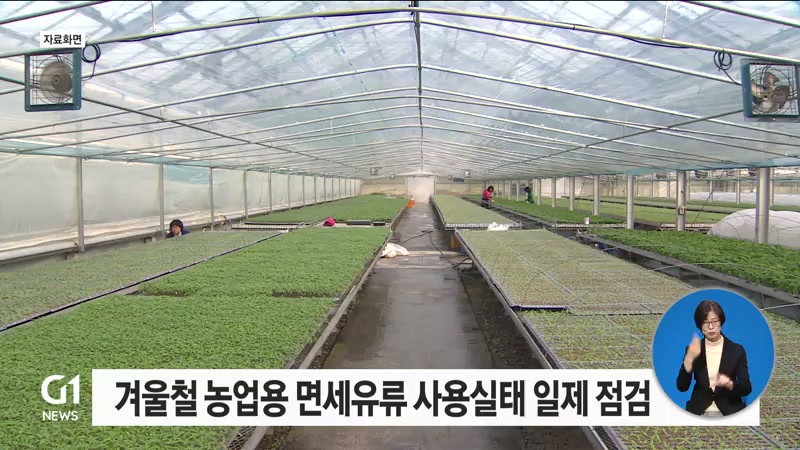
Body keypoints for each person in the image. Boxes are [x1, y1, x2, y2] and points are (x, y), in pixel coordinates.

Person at [676, 300, 751, 417]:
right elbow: (682, 387)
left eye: (714, 321)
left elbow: (746, 388)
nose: (711, 327)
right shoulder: (693, 349)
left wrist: (729, 383)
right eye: (705, 323)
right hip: (699, 411)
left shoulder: (736, 350)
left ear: (721, 322)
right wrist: (689, 360)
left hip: (730, 411)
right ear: (700, 325)